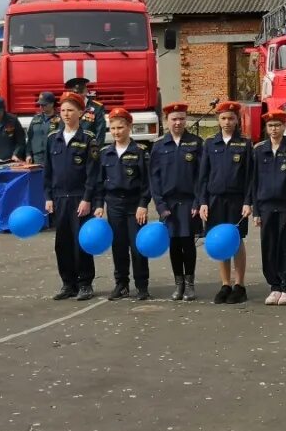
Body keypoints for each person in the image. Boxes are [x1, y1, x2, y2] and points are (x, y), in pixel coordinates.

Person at [44, 91, 101, 301]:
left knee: (81, 242)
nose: (66, 114)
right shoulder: (53, 139)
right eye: (63, 110)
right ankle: (68, 284)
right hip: (59, 198)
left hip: (79, 199)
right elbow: (47, 171)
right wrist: (48, 196)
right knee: (63, 243)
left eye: (71, 110)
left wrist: (87, 198)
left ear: (80, 112)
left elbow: (93, 173)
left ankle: (85, 283)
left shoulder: (88, 139)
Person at [198, 100, 253, 304]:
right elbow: (203, 176)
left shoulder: (245, 144)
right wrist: (203, 201)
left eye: (231, 118)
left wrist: (248, 201)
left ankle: (239, 285)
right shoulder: (210, 143)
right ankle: (225, 284)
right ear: (218, 120)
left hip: (237, 201)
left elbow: (249, 177)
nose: (227, 122)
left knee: (236, 241)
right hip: (214, 201)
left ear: (237, 120)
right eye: (223, 118)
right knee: (220, 241)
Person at [93, 108, 152, 301]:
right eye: (113, 128)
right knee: (118, 246)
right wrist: (99, 204)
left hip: (135, 205)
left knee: (138, 246)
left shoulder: (140, 151)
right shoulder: (105, 153)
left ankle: (142, 285)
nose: (117, 132)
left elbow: (147, 182)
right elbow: (99, 182)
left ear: (129, 127)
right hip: (114, 205)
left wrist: (143, 204)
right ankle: (122, 284)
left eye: (121, 127)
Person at [149, 102, 204, 301]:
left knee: (188, 243)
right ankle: (178, 283)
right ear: (166, 121)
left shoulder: (196, 143)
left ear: (186, 120)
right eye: (174, 119)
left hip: (190, 203)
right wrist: (160, 205)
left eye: (181, 118)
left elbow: (201, 177)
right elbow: (154, 178)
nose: (178, 122)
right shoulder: (159, 146)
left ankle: (189, 284)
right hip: (169, 204)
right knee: (173, 244)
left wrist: (198, 202)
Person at [247, 110, 286, 306]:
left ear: (285, 127)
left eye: (278, 125)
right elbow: (253, 182)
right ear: (266, 128)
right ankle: (274, 286)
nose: (274, 129)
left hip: (285, 208)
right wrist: (256, 211)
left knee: (285, 248)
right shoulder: (259, 149)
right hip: (265, 207)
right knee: (268, 248)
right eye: (270, 126)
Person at [64, 76, 106, 145]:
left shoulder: (97, 107)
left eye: (80, 91)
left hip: (88, 148)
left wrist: (96, 150)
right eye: (75, 93)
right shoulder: (66, 108)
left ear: (86, 91)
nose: (77, 95)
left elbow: (100, 132)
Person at [26, 92, 60, 165]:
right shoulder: (35, 119)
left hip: (53, 157)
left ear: (52, 104)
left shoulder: (60, 119)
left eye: (44, 105)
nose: (41, 107)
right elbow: (30, 138)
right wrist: (28, 154)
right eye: (40, 105)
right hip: (37, 158)